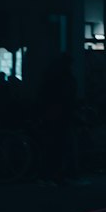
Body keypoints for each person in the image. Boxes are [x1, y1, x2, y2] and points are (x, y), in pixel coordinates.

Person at [36, 52, 78, 184]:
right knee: (60, 146)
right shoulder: (64, 77)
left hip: (54, 114)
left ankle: (50, 175)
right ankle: (58, 175)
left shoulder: (52, 76)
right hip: (61, 114)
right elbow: (67, 95)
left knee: (53, 146)